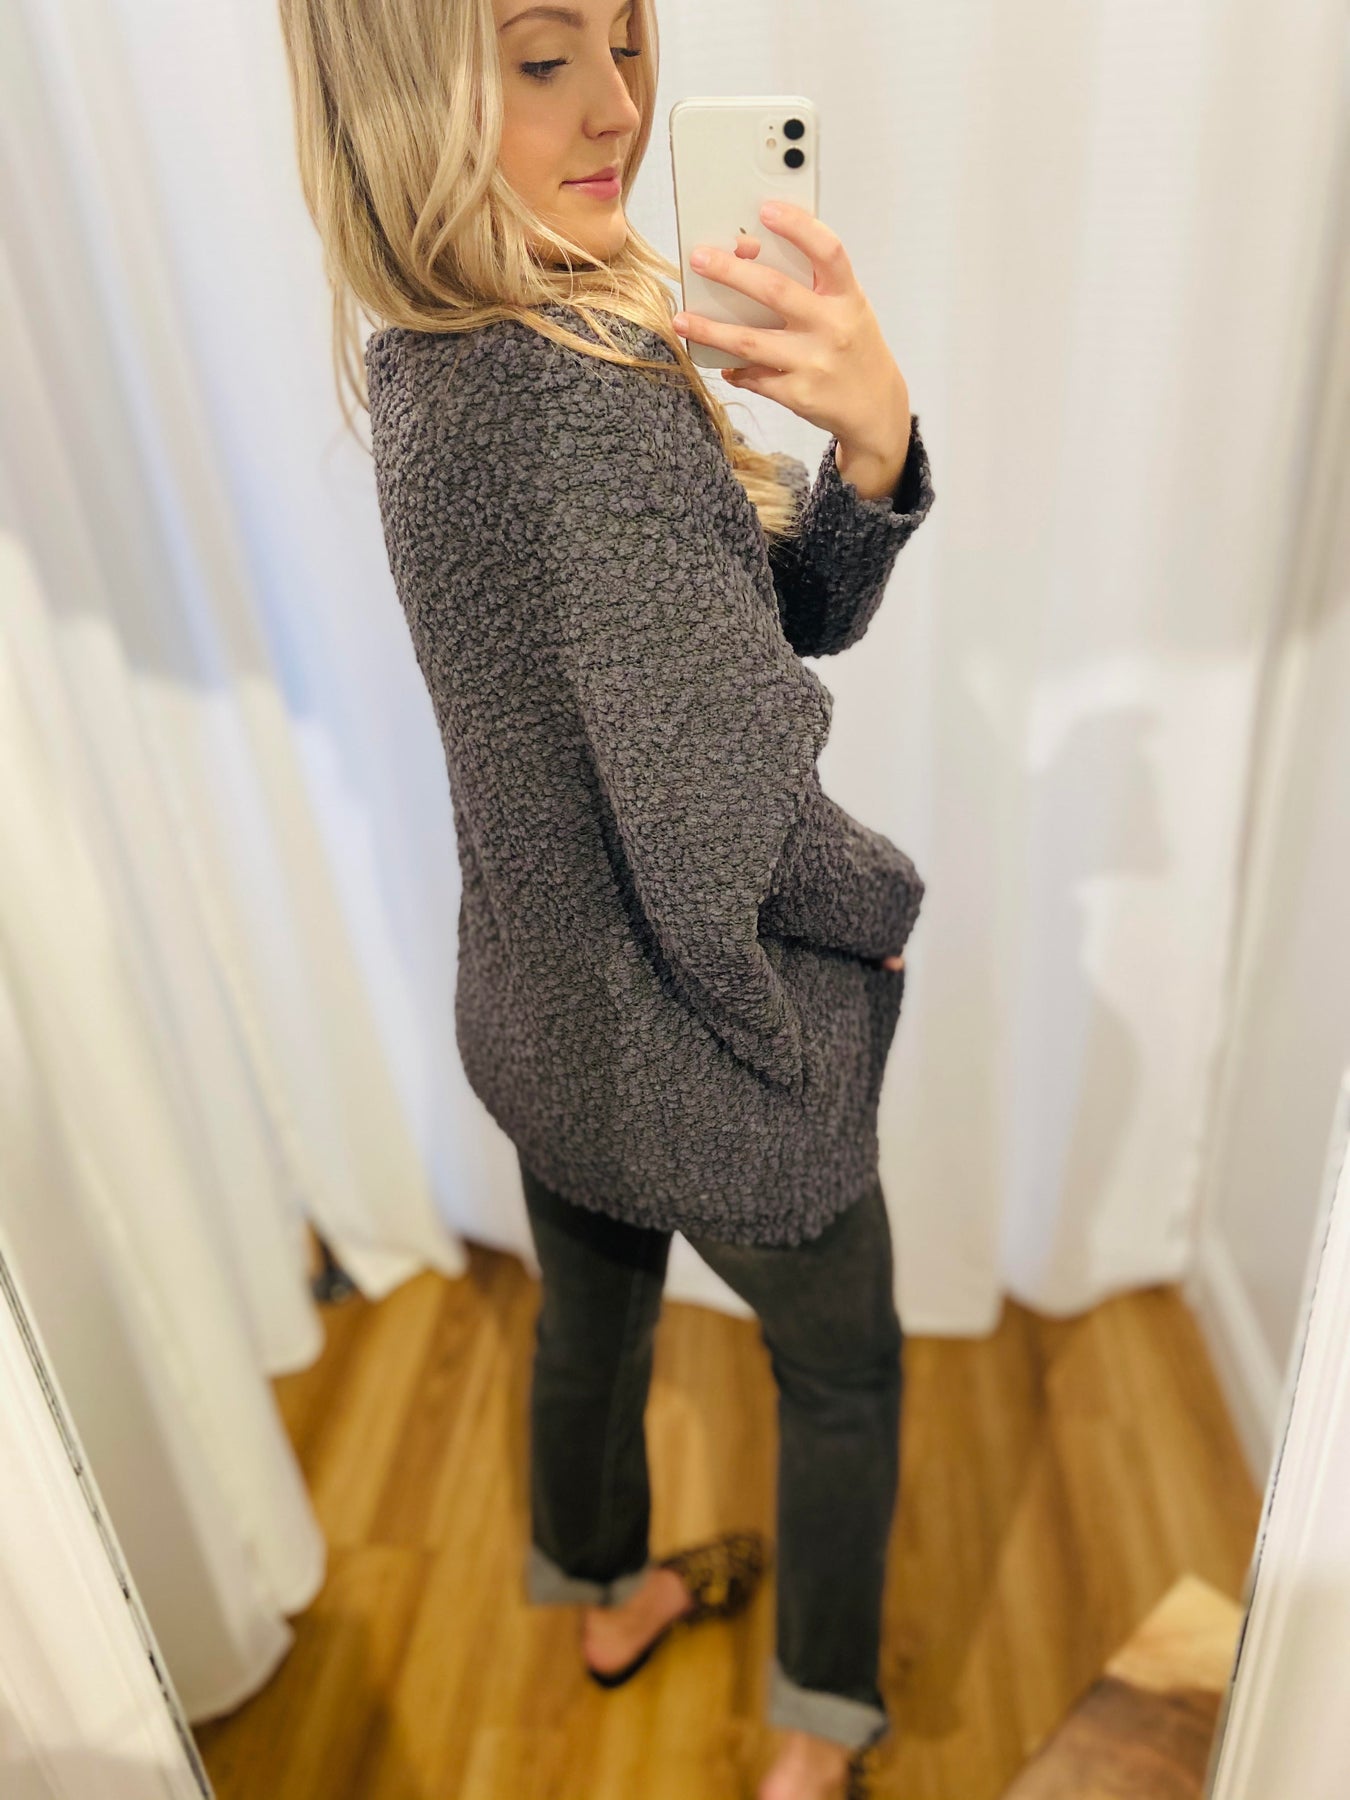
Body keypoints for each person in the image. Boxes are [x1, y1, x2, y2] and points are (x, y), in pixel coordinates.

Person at [277, 1, 936, 1794]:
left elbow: (747, 632)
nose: (617, 111)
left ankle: (603, 1590)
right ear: (403, 93)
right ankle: (818, 1739)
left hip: (544, 1014)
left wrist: (867, 460)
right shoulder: (581, 398)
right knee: (845, 1371)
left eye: (628, 45)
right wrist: (880, 902)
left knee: (592, 1325)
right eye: (540, 57)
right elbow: (722, 801)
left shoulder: (431, 357)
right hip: (701, 1042)